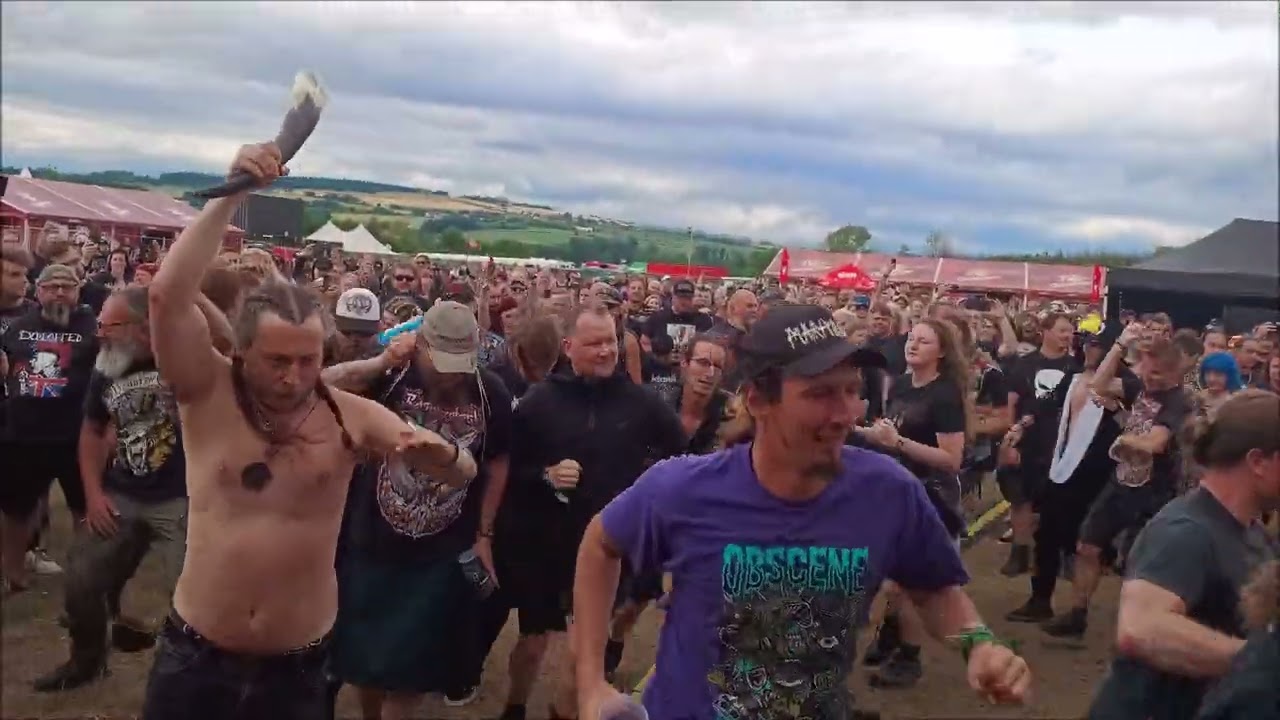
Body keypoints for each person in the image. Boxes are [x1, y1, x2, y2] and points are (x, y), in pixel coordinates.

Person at [140, 142, 481, 720]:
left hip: (296, 672)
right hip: (196, 656)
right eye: (276, 361)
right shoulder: (208, 391)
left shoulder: (348, 415)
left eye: (306, 359)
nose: (294, 376)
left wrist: (443, 454)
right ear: (243, 350)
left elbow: (464, 470)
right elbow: (166, 295)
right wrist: (233, 193)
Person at [572, 304, 1032, 720]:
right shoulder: (684, 488)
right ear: (758, 400)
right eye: (820, 394)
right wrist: (590, 684)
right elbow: (600, 543)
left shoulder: (887, 492)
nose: (844, 413)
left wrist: (979, 645)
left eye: (852, 391)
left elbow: (934, 591)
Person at [1088, 390, 1279, 720]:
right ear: (1258, 462)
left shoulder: (1254, 533)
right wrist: (1260, 663)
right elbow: (1142, 628)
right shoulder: (1184, 530)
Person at [34, 286, 189, 691]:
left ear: (141, 329)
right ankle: (86, 662)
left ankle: (185, 679)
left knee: (190, 596)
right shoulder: (107, 365)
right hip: (122, 493)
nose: (98, 332)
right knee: (81, 580)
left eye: (108, 325)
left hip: (181, 499)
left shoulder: (185, 362)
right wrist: (93, 494)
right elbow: (91, 430)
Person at [0, 263, 98, 591]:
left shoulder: (94, 326)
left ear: (78, 291)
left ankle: (83, 577)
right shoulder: (17, 326)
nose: (59, 291)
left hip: (77, 436)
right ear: (37, 291)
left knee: (85, 511)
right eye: (51, 285)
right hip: (24, 435)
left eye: (66, 285)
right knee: (17, 511)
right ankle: (12, 573)